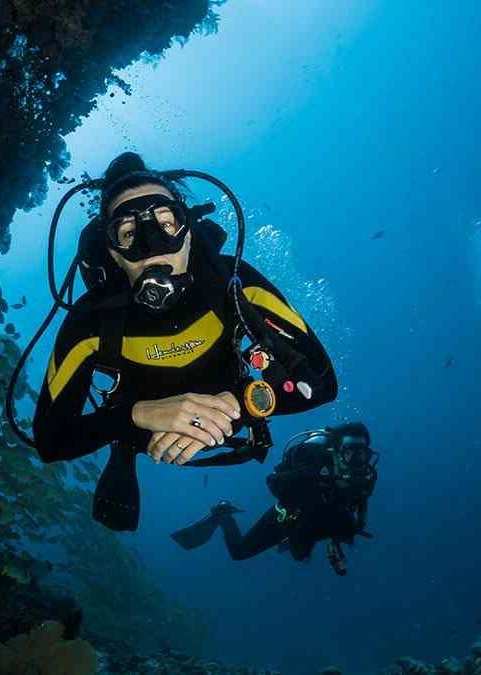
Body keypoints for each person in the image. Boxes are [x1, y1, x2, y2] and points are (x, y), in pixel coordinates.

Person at [28, 152, 338, 530]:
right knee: (124, 437)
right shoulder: (90, 322)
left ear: (189, 230)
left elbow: (322, 383)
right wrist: (135, 416)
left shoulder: (235, 284)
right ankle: (123, 448)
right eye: (128, 234)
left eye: (166, 223)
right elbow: (50, 440)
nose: (152, 245)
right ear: (112, 252)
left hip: (234, 411)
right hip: (141, 431)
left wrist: (239, 404)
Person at [171, 422, 377, 575]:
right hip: (288, 518)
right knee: (240, 552)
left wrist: (336, 540)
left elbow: (355, 511)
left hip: (319, 522)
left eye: (363, 455)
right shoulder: (313, 467)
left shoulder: (365, 479)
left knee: (315, 543)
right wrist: (312, 482)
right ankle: (222, 513)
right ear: (337, 453)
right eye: (352, 454)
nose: (358, 462)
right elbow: (273, 481)